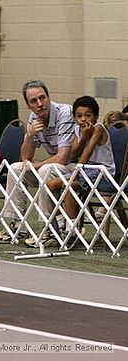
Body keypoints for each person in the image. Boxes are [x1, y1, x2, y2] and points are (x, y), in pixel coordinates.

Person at [0, 80, 76, 247]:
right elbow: (25, 157)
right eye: (34, 101)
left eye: (42, 98)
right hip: (57, 166)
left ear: (49, 97)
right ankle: (17, 225)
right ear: (28, 105)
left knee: (46, 169)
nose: (40, 104)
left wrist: (36, 165)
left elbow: (63, 157)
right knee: (16, 169)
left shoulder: (65, 113)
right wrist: (29, 135)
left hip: (76, 166)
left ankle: (50, 228)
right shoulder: (33, 117)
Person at [46, 96, 115, 249]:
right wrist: (83, 136)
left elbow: (86, 155)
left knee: (69, 186)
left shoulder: (98, 128)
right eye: (79, 116)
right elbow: (74, 154)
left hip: (102, 173)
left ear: (96, 116)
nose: (83, 119)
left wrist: (77, 171)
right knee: (50, 185)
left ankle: (72, 232)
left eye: (88, 115)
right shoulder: (78, 129)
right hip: (86, 170)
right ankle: (61, 224)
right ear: (74, 117)